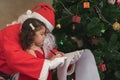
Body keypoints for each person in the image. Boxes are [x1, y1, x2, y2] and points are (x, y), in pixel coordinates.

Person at [0, 4, 67, 80]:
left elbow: (45, 49)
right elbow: (14, 59)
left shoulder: (36, 37)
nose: (45, 37)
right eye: (43, 33)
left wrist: (57, 55)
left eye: (47, 33)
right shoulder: (11, 32)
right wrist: (49, 64)